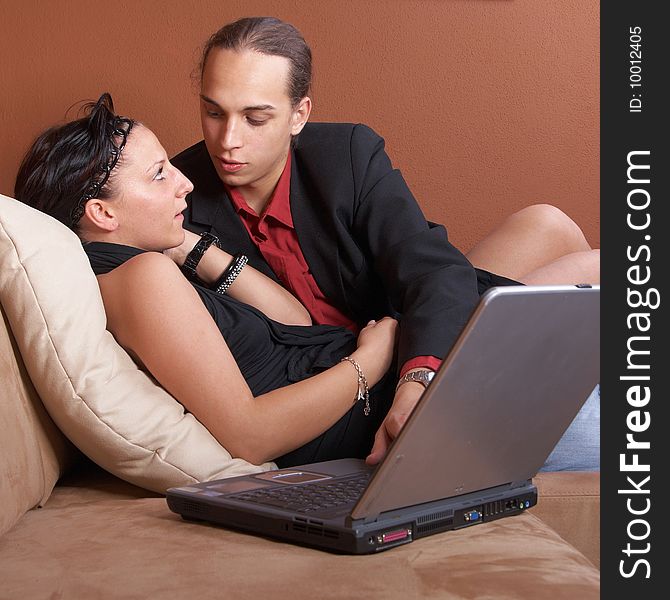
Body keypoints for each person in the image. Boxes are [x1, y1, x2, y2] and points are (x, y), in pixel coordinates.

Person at [171, 16, 600, 467]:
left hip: (404, 330)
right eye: (213, 112)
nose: (228, 141)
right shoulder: (178, 201)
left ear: (300, 115)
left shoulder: (345, 156)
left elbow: (430, 270)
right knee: (582, 257)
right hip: (350, 376)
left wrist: (419, 379)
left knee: (548, 226)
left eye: (255, 118)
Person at [14, 94, 400, 468]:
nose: (185, 183)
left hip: (355, 395)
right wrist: (371, 360)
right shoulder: (142, 279)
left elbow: (294, 321)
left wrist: (185, 245)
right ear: (102, 212)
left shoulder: (136, 267)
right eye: (159, 174)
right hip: (359, 418)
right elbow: (251, 436)